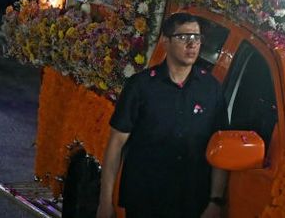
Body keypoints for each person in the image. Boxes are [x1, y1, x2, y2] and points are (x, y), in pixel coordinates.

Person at [97, 12, 227, 218]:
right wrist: (105, 202)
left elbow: (221, 148)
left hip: (192, 202)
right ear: (165, 42)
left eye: (197, 38)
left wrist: (215, 201)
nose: (192, 44)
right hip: (146, 199)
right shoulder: (141, 87)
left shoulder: (211, 89)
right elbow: (116, 145)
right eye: (183, 37)